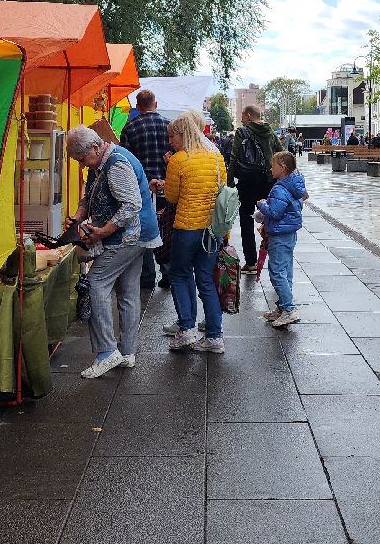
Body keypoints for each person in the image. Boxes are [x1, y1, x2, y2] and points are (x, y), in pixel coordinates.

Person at [67, 125, 161, 378]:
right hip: (137, 236)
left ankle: (107, 353)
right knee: (128, 293)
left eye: (81, 158)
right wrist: (78, 217)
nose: (81, 164)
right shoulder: (100, 162)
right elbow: (89, 197)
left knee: (97, 282)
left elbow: (132, 204)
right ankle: (127, 352)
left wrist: (105, 230)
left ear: (95, 148)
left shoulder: (116, 164)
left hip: (129, 236)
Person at [159, 110, 228, 353]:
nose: (170, 142)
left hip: (188, 227)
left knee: (179, 274)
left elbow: (171, 196)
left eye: (171, 137)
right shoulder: (216, 157)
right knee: (206, 278)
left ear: (182, 135)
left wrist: (168, 174)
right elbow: (223, 191)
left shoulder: (178, 159)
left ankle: (186, 329)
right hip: (212, 228)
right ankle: (214, 336)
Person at [119, 89, 171, 289]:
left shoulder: (130, 127)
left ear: (138, 107)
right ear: (155, 104)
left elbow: (126, 163)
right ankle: (167, 272)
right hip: (167, 185)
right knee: (166, 228)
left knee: (146, 229)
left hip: (142, 187)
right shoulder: (169, 126)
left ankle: (147, 277)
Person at [228, 105, 282, 274]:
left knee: (246, 218)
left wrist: (229, 182)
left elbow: (234, 156)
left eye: (243, 116)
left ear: (249, 116)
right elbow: (282, 153)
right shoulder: (270, 132)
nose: (242, 120)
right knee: (271, 219)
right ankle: (276, 260)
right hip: (268, 181)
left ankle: (251, 262)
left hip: (247, 181)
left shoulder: (242, 132)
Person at [258, 151, 307, 328]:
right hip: (289, 233)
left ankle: (289, 309)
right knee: (286, 271)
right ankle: (282, 307)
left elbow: (275, 212)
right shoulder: (294, 185)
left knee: (277, 272)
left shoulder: (279, 188)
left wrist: (262, 205)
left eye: (273, 165)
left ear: (282, 167)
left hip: (279, 235)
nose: (271, 168)